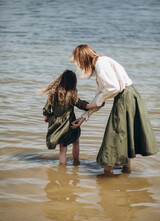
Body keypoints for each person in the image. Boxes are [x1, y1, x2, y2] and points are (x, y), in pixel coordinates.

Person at [70, 44, 159, 175]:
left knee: (113, 138)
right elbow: (101, 94)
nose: (80, 66)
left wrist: (98, 102)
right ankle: (125, 173)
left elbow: (112, 88)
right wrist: (84, 116)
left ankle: (107, 176)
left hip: (125, 98)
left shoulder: (101, 64)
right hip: (130, 96)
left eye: (78, 62)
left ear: (83, 59)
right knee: (125, 137)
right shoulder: (102, 62)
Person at [41, 69, 103, 165]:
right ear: (73, 83)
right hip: (69, 124)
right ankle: (76, 161)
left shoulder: (53, 93)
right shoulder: (71, 95)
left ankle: (62, 168)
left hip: (56, 123)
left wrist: (47, 117)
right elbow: (83, 105)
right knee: (76, 141)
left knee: (62, 149)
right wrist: (96, 105)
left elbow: (47, 108)